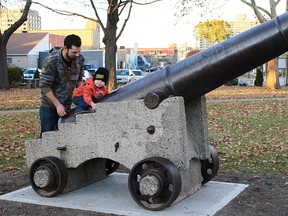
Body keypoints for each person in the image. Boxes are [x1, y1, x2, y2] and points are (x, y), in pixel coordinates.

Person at [39, 34, 85, 137]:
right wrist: (57, 105)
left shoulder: (80, 59)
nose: (77, 54)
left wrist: (84, 97)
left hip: (67, 105)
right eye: (74, 52)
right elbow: (44, 86)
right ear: (65, 48)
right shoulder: (52, 61)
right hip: (49, 107)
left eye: (79, 51)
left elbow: (79, 80)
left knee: (63, 138)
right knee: (48, 138)